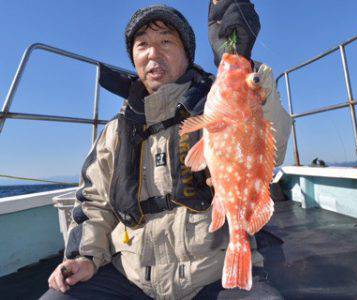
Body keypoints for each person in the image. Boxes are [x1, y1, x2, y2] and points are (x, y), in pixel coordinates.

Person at [41, 1, 291, 299]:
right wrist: (85, 256)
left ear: (187, 54)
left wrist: (244, 64)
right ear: (133, 56)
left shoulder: (220, 103)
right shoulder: (115, 132)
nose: (153, 53)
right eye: (142, 44)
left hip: (212, 275)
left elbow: (267, 147)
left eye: (166, 41)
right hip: (131, 279)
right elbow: (93, 202)